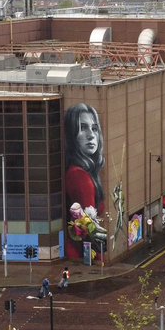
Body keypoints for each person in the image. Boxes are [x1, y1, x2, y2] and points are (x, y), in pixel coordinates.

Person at [64, 103, 105, 260]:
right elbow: (90, 227)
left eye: (94, 128)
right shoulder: (79, 176)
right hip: (80, 254)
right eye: (83, 128)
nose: (91, 135)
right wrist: (100, 260)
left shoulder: (87, 172)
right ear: (71, 135)